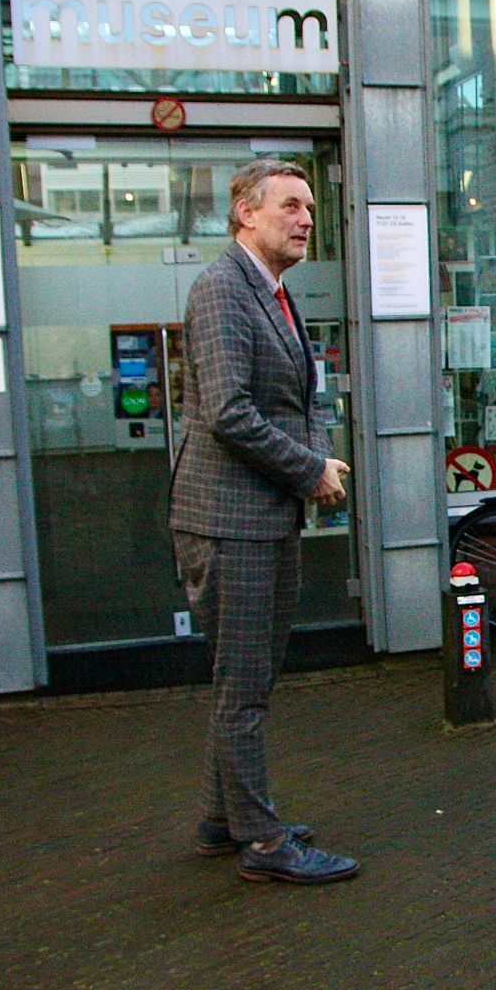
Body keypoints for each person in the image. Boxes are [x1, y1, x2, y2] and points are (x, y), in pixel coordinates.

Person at [168, 159, 357, 885]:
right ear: (246, 214)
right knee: (243, 686)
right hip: (228, 521)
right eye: (290, 206)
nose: (306, 218)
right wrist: (310, 470)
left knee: (248, 677)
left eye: (309, 206)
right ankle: (264, 842)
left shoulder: (275, 293)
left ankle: (223, 818)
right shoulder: (222, 290)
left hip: (265, 515)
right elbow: (227, 413)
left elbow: (301, 397)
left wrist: (317, 457)